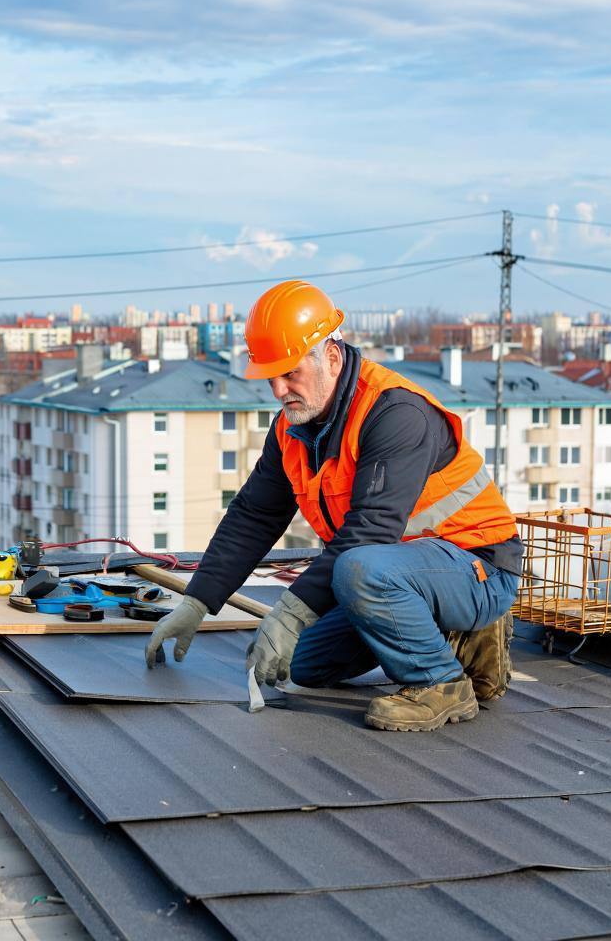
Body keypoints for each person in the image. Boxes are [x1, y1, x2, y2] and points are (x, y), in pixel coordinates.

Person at [145, 280, 522, 731]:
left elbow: (369, 533)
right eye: (271, 378)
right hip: (397, 578)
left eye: (291, 373)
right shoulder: (291, 429)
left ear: (331, 355)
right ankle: (446, 636)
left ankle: (441, 683)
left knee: (357, 569)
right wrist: (197, 601)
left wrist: (286, 614)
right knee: (298, 664)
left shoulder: (394, 413)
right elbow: (254, 515)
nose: (281, 389)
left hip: (476, 569)